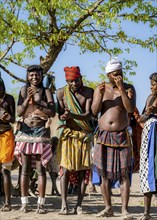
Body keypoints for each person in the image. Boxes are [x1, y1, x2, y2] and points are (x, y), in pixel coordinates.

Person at [91, 58, 136, 219]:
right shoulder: (101, 88)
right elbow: (94, 111)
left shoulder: (129, 88)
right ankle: (108, 207)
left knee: (124, 174)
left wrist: (122, 88)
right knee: (103, 174)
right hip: (104, 136)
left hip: (122, 136)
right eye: (115, 75)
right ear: (109, 75)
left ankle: (124, 210)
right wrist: (100, 95)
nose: (119, 77)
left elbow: (130, 108)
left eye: (121, 74)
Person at [14, 65, 55, 213]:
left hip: (40, 132)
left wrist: (38, 102)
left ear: (41, 76)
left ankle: (41, 204)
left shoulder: (46, 91)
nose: (34, 77)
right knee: (24, 169)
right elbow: (19, 111)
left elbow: (52, 112)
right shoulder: (24, 90)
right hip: (25, 131)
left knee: (40, 169)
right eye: (31, 75)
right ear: (27, 76)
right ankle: (24, 203)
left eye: (37, 75)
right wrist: (28, 100)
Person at [56, 66, 94, 215]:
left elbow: (88, 115)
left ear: (81, 78)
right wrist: (64, 117)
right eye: (70, 81)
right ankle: (64, 205)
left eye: (76, 80)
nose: (74, 84)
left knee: (82, 171)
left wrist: (73, 116)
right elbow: (59, 115)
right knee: (64, 169)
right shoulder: (61, 93)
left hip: (83, 136)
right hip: (68, 136)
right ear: (66, 81)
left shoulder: (89, 92)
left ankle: (79, 205)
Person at [138, 72, 157, 220]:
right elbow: (142, 117)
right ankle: (146, 212)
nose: (151, 87)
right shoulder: (150, 98)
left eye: (154, 84)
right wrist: (148, 112)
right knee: (147, 169)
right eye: (151, 84)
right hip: (149, 136)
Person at [0, 77, 15, 211]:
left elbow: (14, 118)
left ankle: (7, 203)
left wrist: (7, 117)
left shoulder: (9, 99)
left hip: (6, 135)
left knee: (5, 170)